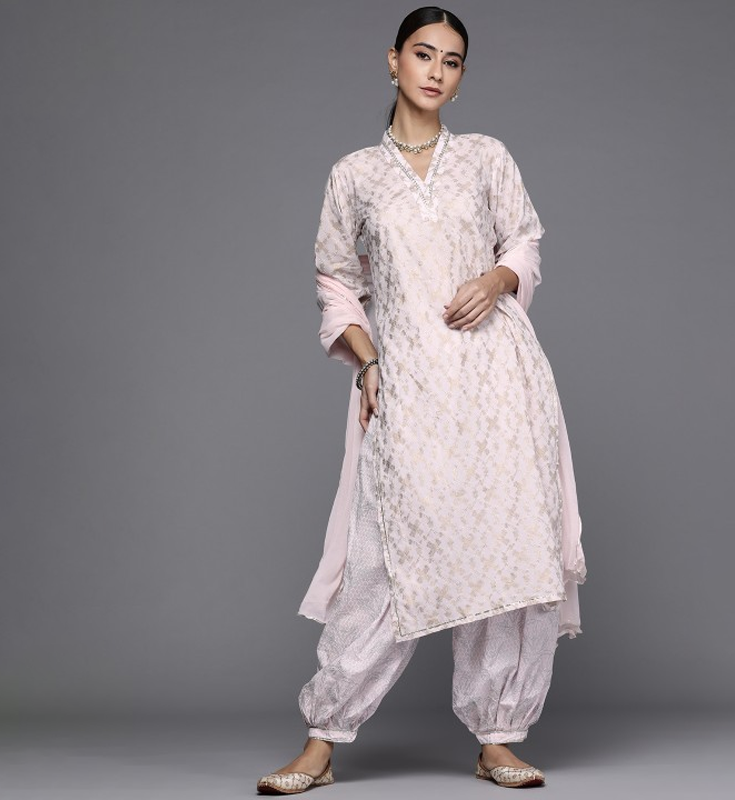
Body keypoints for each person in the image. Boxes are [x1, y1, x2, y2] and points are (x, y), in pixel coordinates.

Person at [257, 6, 586, 794]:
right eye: (423, 53)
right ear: (393, 61)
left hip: (499, 381)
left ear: (461, 77)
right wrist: (367, 361)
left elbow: (525, 239)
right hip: (410, 385)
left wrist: (498, 278)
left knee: (508, 547)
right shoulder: (354, 175)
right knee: (384, 558)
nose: (436, 71)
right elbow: (337, 281)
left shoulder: (485, 157)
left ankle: (499, 736)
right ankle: (322, 738)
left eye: (452, 60)